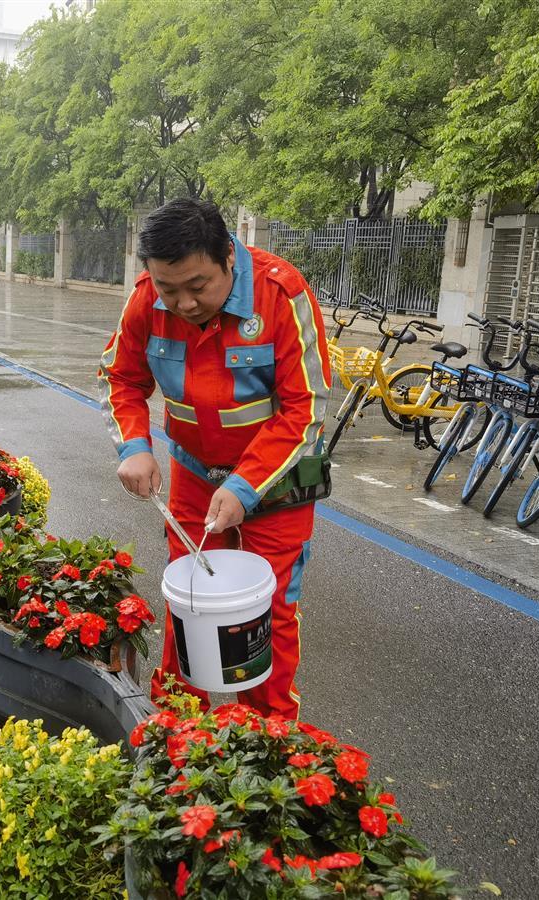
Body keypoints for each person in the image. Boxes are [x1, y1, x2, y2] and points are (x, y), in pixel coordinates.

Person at [98, 198, 331, 721]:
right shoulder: (144, 302)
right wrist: (135, 446)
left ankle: (268, 738)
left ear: (228, 256)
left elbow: (306, 407)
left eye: (197, 286)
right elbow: (122, 378)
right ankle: (177, 733)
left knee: (265, 612)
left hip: (278, 483)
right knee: (191, 602)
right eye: (167, 288)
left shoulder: (281, 294)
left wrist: (246, 485)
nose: (182, 304)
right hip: (195, 477)